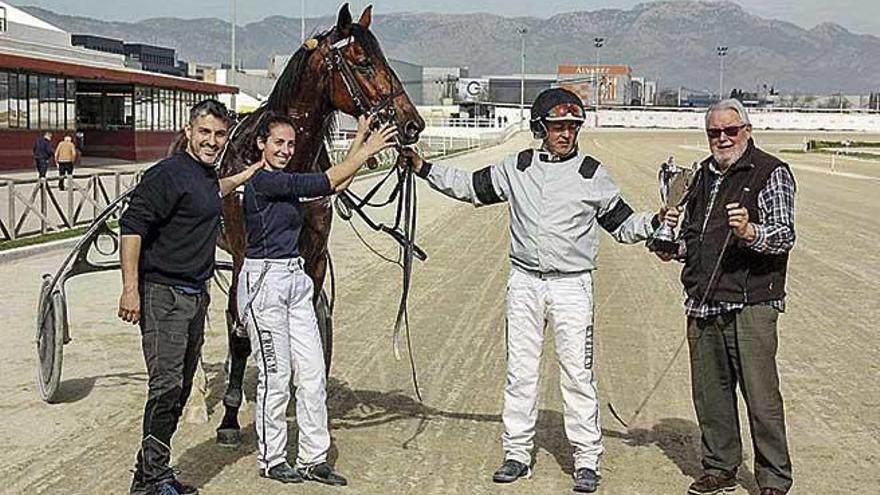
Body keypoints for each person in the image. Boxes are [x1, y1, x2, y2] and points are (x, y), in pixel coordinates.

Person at [400, 87, 673, 493]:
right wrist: (423, 167)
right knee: (519, 373)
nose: (566, 134)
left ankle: (586, 459)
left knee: (577, 375)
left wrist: (655, 222)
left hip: (571, 287)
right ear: (540, 127)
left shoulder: (592, 174)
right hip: (524, 283)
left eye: (572, 127)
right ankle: (516, 453)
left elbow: (622, 225)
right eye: (558, 126)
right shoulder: (517, 167)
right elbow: (470, 186)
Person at [237, 111, 397, 486]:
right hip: (265, 284)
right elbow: (327, 178)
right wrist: (370, 148)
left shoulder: (287, 183)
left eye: (291, 144)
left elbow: (333, 187)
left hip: (294, 281)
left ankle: (313, 457)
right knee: (277, 376)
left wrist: (359, 139)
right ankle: (272, 457)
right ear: (262, 143)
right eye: (278, 142)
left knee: (311, 375)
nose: (286, 150)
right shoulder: (264, 182)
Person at [118, 99, 261, 495]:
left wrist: (251, 171)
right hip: (163, 295)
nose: (212, 141)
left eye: (219, 134)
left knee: (180, 389)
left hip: (194, 297)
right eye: (205, 133)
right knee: (165, 387)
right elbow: (132, 226)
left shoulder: (203, 176)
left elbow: (215, 191)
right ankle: (151, 479)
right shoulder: (168, 173)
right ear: (188, 131)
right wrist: (131, 288)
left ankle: (151, 475)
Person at [657, 99, 796, 495]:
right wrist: (671, 244)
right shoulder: (700, 176)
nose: (722, 138)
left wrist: (751, 232)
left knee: (761, 397)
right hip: (704, 300)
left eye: (730, 131)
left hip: (751, 301)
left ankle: (773, 478)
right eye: (714, 132)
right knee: (711, 395)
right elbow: (694, 239)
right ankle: (720, 466)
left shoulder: (771, 173)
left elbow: (784, 235)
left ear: (747, 131)